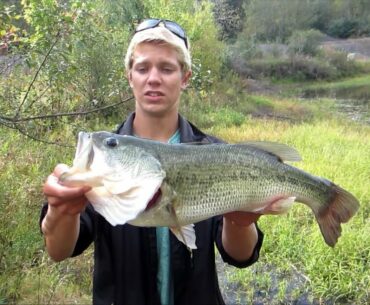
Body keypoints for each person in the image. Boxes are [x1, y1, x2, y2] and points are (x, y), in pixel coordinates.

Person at [41, 19, 264, 305]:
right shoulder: (105, 160)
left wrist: (240, 221)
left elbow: (240, 256)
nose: (153, 78)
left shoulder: (216, 153)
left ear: (185, 77)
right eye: (143, 68)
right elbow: (59, 251)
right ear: (129, 75)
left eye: (167, 68)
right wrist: (60, 213)